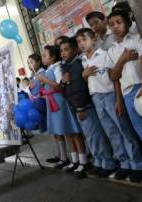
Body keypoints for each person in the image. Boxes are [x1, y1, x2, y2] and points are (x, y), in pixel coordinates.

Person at [77, 28, 142, 181]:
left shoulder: (104, 55)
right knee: (111, 132)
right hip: (96, 98)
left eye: (84, 39)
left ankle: (137, 164)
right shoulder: (83, 60)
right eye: (78, 41)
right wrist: (84, 76)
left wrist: (119, 99)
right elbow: (89, 80)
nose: (81, 44)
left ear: (93, 39)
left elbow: (115, 78)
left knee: (124, 129)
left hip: (111, 95)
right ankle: (125, 164)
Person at [60, 37, 116, 178]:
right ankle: (99, 161)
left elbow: (79, 88)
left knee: (95, 135)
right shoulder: (68, 66)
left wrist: (80, 107)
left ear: (74, 50)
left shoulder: (78, 64)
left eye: (66, 49)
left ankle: (107, 163)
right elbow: (68, 89)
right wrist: (64, 82)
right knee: (90, 137)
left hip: (85, 106)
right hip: (78, 107)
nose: (63, 53)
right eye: (61, 51)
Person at [37, 45, 86, 176]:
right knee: (66, 132)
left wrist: (45, 80)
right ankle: (75, 160)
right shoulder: (49, 69)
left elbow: (59, 86)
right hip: (53, 103)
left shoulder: (58, 67)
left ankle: (83, 160)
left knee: (73, 131)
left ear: (53, 57)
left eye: (45, 55)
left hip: (61, 102)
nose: (42, 57)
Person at [106, 11, 142, 142]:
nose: (115, 26)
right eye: (111, 24)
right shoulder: (111, 51)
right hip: (126, 94)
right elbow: (114, 76)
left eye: (118, 22)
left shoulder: (136, 39)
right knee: (139, 129)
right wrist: (122, 59)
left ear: (127, 23)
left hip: (140, 87)